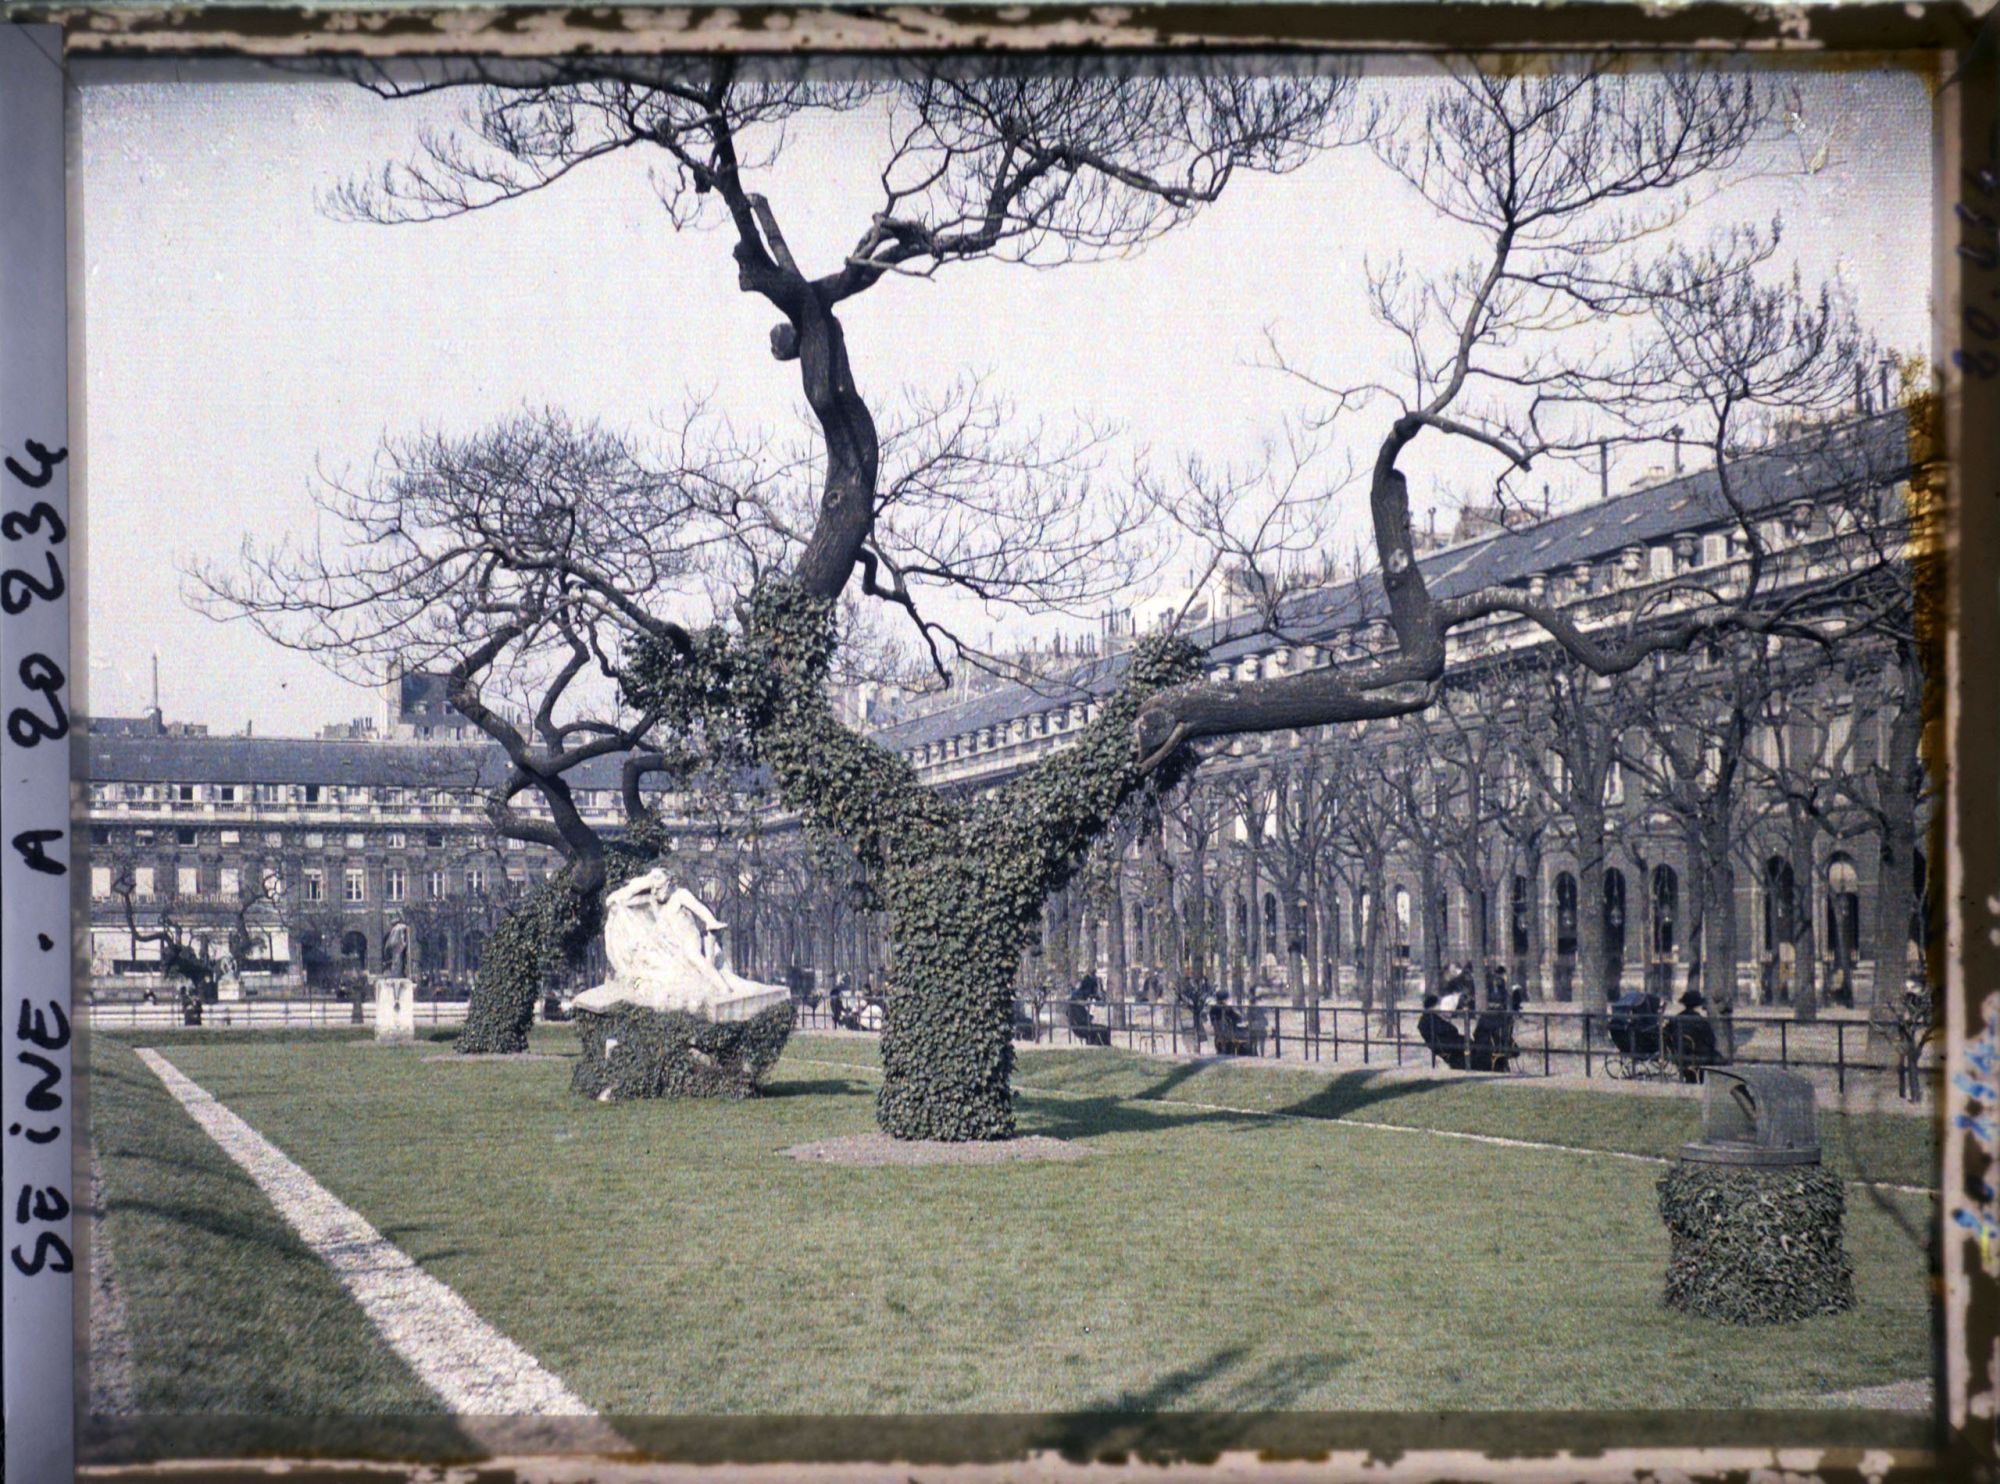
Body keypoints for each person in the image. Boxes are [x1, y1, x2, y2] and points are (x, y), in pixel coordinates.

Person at [1664, 989, 1723, 1083]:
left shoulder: (1676, 1019)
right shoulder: (1699, 1020)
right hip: (1697, 1056)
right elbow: (1711, 1040)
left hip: (1680, 1055)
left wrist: (1673, 1049)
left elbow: (1666, 1033)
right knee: (1717, 1057)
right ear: (1698, 1005)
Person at [1417, 992, 1469, 1070]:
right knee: (1469, 1043)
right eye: (1438, 1004)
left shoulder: (1427, 1018)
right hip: (1443, 1044)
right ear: (1434, 1006)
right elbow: (1450, 1029)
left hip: (1441, 1042)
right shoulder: (1431, 1019)